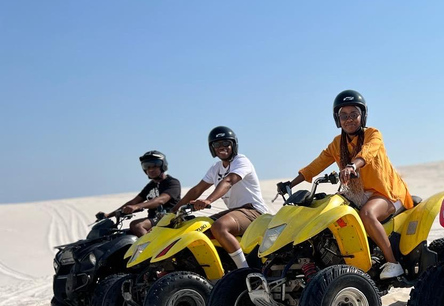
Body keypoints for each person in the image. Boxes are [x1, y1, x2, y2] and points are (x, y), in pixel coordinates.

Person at [278, 90, 414, 279]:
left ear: (362, 116)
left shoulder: (372, 134)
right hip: (358, 194)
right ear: (337, 119)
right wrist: (290, 184)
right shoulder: (337, 144)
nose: (349, 119)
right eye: (344, 115)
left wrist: (352, 166)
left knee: (367, 213)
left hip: (387, 193)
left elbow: (368, 152)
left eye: (353, 114)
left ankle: (393, 263)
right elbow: (316, 165)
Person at [172, 126, 268, 269]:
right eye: (217, 144)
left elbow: (228, 181)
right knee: (198, 229)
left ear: (233, 145)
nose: (222, 147)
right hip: (235, 212)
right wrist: (173, 211)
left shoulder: (241, 161)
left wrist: (208, 200)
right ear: (212, 148)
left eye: (226, 143)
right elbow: (197, 190)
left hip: (254, 211)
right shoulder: (216, 168)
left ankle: (244, 270)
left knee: (220, 227)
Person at [97, 150, 181, 236]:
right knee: (122, 236)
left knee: (137, 225)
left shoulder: (172, 182)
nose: (150, 169)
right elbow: (133, 202)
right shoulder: (150, 186)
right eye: (147, 166)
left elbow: (161, 200)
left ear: (163, 166)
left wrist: (137, 206)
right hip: (154, 220)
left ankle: (153, 248)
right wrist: (109, 215)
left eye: (154, 165)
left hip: (169, 218)